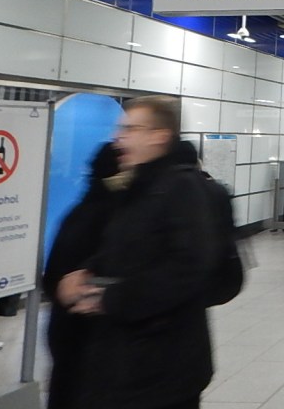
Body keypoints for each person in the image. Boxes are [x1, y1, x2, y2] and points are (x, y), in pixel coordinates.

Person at [58, 96, 217, 409]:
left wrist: (110, 299)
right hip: (130, 360)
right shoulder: (138, 186)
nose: (119, 138)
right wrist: (88, 271)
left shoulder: (182, 188)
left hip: (164, 368)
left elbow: (188, 269)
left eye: (130, 129)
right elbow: (127, 246)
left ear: (159, 136)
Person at [43, 142, 127, 409]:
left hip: (64, 329)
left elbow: (51, 278)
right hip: (92, 336)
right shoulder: (114, 219)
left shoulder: (78, 211)